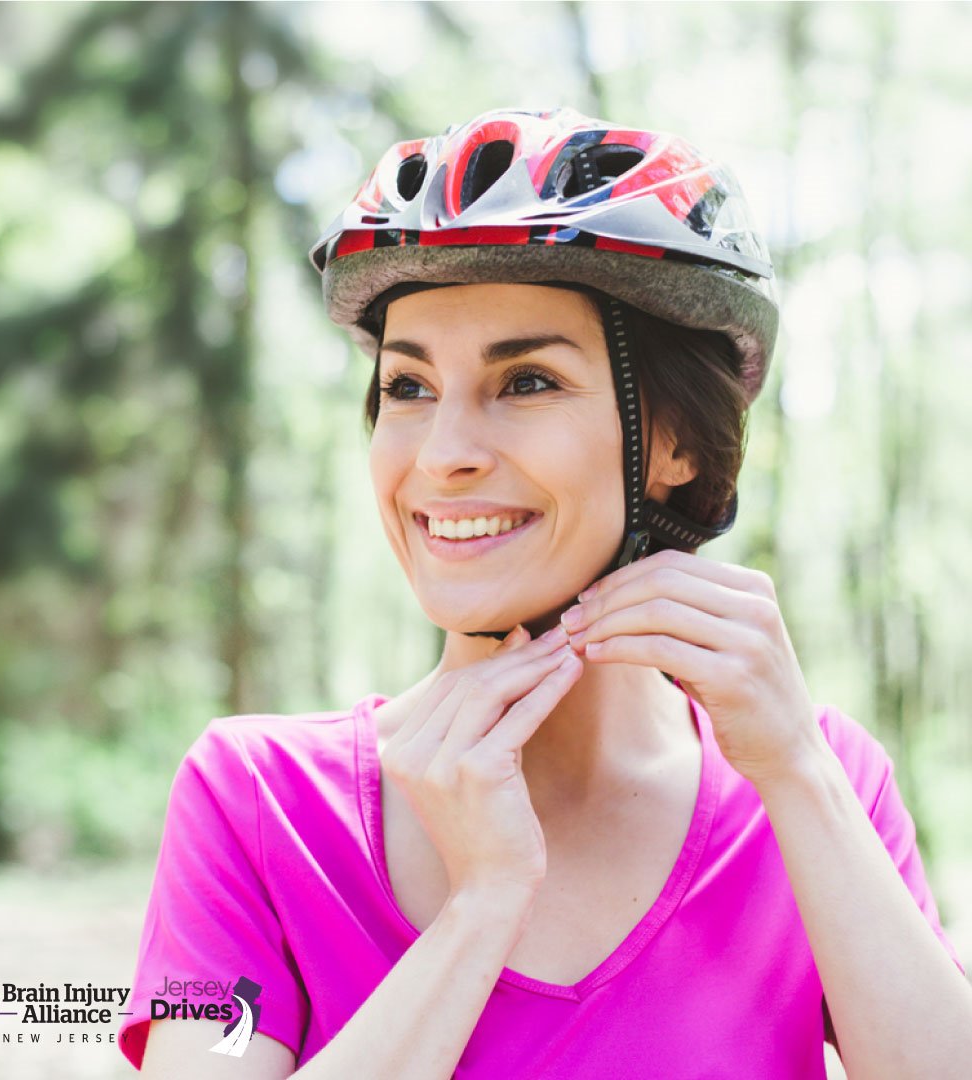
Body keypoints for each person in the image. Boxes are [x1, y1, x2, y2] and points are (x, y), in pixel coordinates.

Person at [119, 108, 971, 1078]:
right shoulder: (254, 800)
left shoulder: (815, 779)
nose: (443, 456)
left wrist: (799, 776)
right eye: (408, 388)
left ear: (677, 444)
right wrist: (481, 907)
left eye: (526, 382)